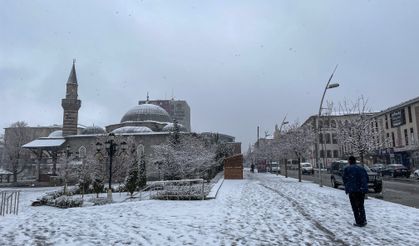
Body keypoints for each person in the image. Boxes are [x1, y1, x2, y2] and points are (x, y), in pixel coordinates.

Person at [342, 156, 369, 227]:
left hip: (352, 190)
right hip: (361, 190)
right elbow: (366, 178)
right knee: (361, 205)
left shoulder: (347, 169)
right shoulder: (361, 168)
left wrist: (348, 186)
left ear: (349, 161)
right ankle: (363, 220)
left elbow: (344, 179)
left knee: (354, 207)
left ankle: (358, 221)